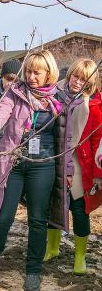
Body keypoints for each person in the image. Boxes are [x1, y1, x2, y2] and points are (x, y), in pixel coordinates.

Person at [0, 50, 62, 290]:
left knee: (37, 219)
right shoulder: (15, 92)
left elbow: (68, 134)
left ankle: (33, 270)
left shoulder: (58, 100)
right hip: (13, 162)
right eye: (29, 71)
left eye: (38, 72)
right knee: (2, 217)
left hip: (42, 165)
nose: (32, 77)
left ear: (48, 73)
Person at [44, 58, 102, 274]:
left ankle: (80, 257)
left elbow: (98, 141)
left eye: (84, 80)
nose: (78, 82)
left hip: (80, 164)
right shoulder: (53, 95)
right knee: (54, 205)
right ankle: (52, 248)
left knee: (79, 210)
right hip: (54, 159)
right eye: (75, 76)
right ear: (69, 75)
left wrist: (98, 173)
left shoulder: (95, 104)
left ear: (90, 83)